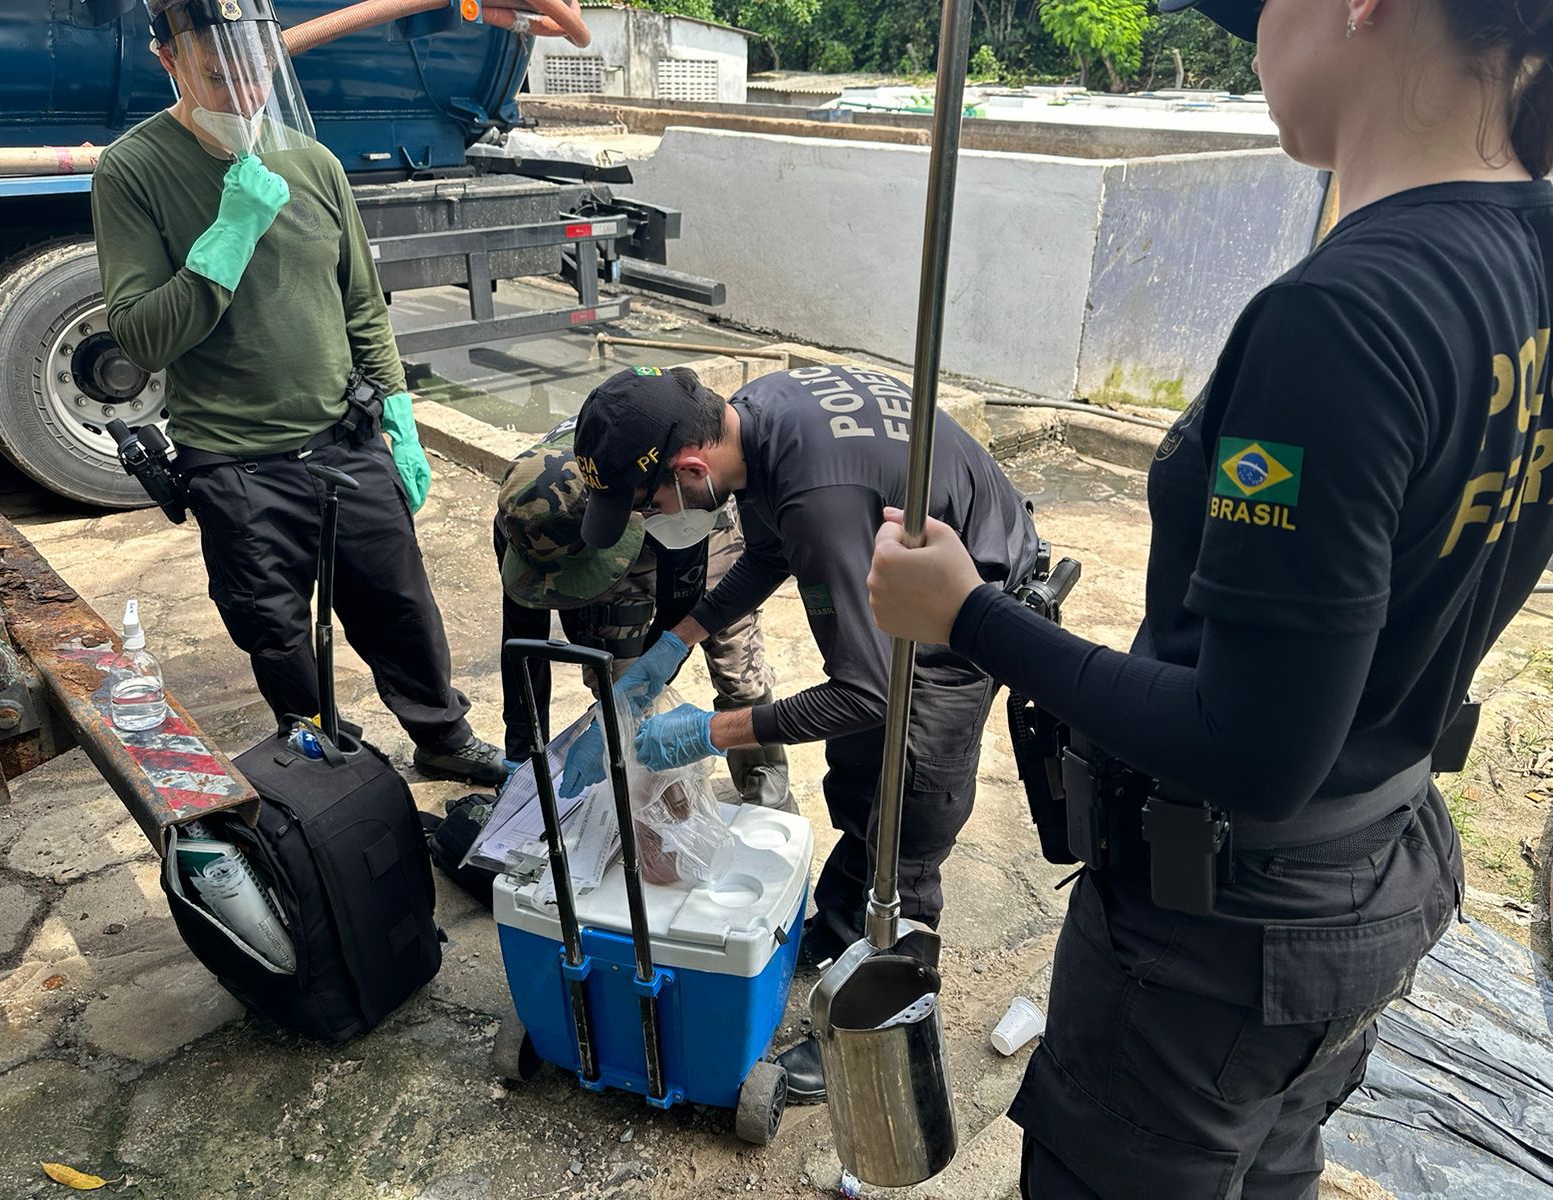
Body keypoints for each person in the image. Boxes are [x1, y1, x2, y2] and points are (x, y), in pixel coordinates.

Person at [868, 0, 1553, 1193]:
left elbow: (1251, 750)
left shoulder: (1343, 317)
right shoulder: (1526, 252)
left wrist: (969, 615)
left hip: (1223, 938)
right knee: (1269, 1166)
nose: (1251, 43)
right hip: (1375, 866)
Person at [569, 363, 1039, 1102]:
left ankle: (874, 1026)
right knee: (859, 775)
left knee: (910, 819)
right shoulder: (752, 422)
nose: (652, 520)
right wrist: (675, 643)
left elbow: (866, 692)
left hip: (966, 607)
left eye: (649, 505)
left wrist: (711, 731)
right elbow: (768, 553)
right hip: (907, 584)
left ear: (690, 469)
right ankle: (845, 927)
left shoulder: (816, 496)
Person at [93, 0, 507, 786]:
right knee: (276, 631)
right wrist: (231, 232)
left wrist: (398, 416)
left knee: (400, 606)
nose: (245, 94)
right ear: (168, 61)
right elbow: (143, 337)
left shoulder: (312, 162)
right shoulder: (133, 169)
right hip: (236, 463)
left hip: (344, 438)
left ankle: (442, 736)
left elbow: (362, 303)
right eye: (218, 75)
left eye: (256, 73)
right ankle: (327, 761)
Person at [492, 417, 792, 810]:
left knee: (736, 661)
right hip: (605, 533)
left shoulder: (665, 499)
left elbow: (680, 614)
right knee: (614, 678)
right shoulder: (522, 518)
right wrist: (524, 751)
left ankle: (764, 783)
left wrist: (649, 683)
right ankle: (650, 801)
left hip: (688, 522)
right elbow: (522, 641)